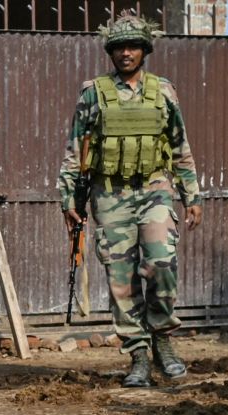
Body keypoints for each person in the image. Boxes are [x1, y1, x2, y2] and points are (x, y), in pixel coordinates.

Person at [56, 11, 202, 388]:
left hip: (155, 188)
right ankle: (137, 354)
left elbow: (179, 145)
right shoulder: (93, 92)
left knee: (161, 264)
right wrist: (68, 198)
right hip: (110, 194)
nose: (126, 53)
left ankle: (163, 341)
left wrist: (192, 195)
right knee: (120, 278)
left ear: (145, 50)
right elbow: (76, 148)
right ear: (110, 51)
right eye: (119, 47)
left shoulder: (164, 91)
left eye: (133, 46)